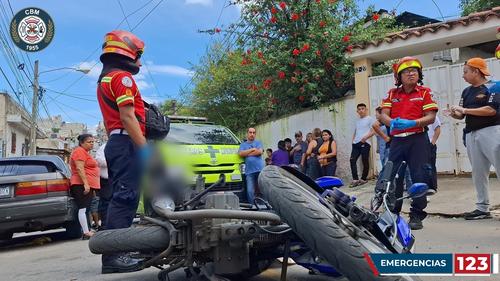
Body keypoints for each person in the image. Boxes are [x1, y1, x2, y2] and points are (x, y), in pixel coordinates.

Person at [97, 30, 146, 273]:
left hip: (118, 144)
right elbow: (128, 117)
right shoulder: (122, 78)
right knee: (125, 198)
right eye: (138, 56)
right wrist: (144, 149)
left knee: (123, 196)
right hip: (127, 144)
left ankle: (122, 246)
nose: (139, 62)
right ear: (126, 51)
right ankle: (114, 256)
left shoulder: (105, 80)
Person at [379, 56, 438, 230]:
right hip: (397, 140)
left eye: (414, 71)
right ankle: (391, 212)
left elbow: (431, 117)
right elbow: (383, 114)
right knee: (391, 176)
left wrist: (414, 123)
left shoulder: (425, 92)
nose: (411, 74)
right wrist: (391, 123)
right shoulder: (392, 93)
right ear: (399, 76)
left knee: (419, 177)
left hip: (418, 139)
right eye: (406, 71)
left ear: (419, 74)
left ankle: (416, 214)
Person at [447, 57, 500, 220]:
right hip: (471, 133)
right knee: (478, 172)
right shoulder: (466, 91)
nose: (463, 76)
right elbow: (461, 115)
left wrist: (464, 110)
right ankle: (482, 208)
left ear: (476, 71)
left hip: (492, 131)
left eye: (465, 72)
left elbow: (491, 110)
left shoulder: (493, 86)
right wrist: (454, 113)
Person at [69, 134, 100, 240]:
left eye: (93, 142)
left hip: (86, 184)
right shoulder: (79, 151)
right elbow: (79, 168)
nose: (92, 143)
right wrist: (86, 184)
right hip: (80, 184)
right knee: (82, 209)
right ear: (82, 143)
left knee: (86, 209)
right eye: (89, 142)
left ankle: (87, 230)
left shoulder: (85, 152)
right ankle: (86, 232)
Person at [350, 103, 375, 187]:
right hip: (356, 143)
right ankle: (355, 179)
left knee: (364, 160)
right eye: (359, 109)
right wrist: (353, 140)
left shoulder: (370, 119)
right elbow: (356, 131)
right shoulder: (357, 121)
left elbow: (373, 131)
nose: (361, 110)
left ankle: (363, 179)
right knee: (352, 160)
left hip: (365, 142)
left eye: (362, 109)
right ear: (357, 111)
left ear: (366, 110)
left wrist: (365, 138)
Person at [238, 128, 265, 204]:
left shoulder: (258, 142)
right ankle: (252, 207)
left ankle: (265, 206)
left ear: (255, 134)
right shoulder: (243, 144)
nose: (252, 134)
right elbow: (240, 154)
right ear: (247, 133)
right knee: (250, 191)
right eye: (250, 132)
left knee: (263, 190)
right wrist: (252, 149)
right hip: (249, 172)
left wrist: (247, 154)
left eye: (254, 133)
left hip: (260, 170)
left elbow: (259, 152)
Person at [95, 141, 111, 229]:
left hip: (119, 179)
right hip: (106, 180)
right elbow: (99, 161)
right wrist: (113, 161)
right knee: (106, 202)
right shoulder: (103, 147)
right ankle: (105, 224)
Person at [427, 116, 441, 194]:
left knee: (431, 165)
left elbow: (438, 130)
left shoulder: (433, 116)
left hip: (430, 144)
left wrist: (432, 143)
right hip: (419, 144)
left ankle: (432, 186)